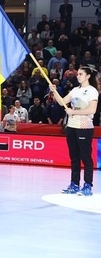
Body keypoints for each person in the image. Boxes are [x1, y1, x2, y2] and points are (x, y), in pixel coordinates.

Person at [50, 66, 98, 196]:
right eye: (78, 74)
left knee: (85, 157)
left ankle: (87, 185)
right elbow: (62, 102)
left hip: (84, 127)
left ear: (88, 76)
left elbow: (92, 110)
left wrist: (73, 112)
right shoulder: (75, 90)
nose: (78, 76)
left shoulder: (92, 91)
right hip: (71, 127)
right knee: (74, 157)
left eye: (81, 74)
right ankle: (74, 184)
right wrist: (54, 92)